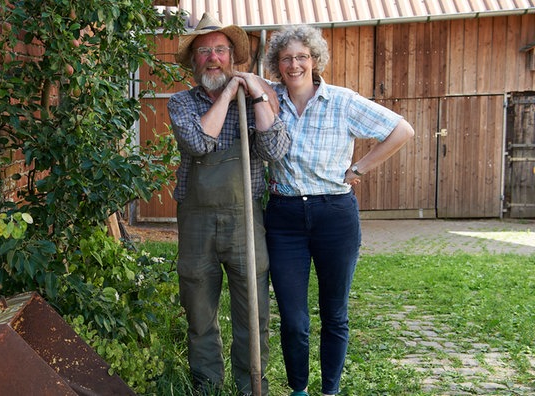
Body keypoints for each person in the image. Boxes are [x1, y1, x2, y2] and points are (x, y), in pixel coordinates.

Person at [262, 25, 415, 396]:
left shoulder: (343, 101)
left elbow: (402, 129)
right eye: (286, 58)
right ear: (277, 64)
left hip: (334, 214)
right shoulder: (270, 101)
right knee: (294, 319)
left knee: (334, 313)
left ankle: (329, 391)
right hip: (284, 218)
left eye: (301, 56)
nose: (294, 64)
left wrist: (359, 168)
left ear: (315, 60)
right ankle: (299, 390)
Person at [167, 12, 290, 396]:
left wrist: (254, 95)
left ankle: (252, 384)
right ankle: (207, 383)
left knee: (253, 311)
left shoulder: (258, 98)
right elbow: (198, 143)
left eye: (221, 50)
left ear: (233, 56)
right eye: (204, 52)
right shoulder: (181, 103)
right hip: (197, 221)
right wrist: (224, 96)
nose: (213, 58)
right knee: (199, 309)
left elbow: (274, 150)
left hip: (244, 218)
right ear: (193, 62)